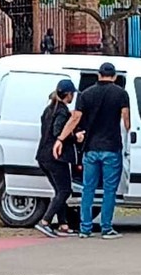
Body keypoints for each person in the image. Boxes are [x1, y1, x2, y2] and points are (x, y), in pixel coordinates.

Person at [53, 62, 130, 240]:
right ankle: (106, 228)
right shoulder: (121, 94)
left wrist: (60, 139)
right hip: (111, 147)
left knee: (88, 188)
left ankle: (85, 228)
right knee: (109, 189)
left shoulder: (85, 95)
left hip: (90, 148)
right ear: (114, 76)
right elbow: (126, 120)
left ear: (98, 75)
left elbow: (75, 118)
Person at [34, 79, 85, 238]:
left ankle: (63, 225)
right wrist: (75, 137)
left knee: (59, 191)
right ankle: (45, 221)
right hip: (56, 157)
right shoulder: (62, 111)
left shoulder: (49, 109)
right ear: (68, 94)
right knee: (64, 190)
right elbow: (58, 132)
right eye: (72, 94)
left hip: (43, 155)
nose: (73, 97)